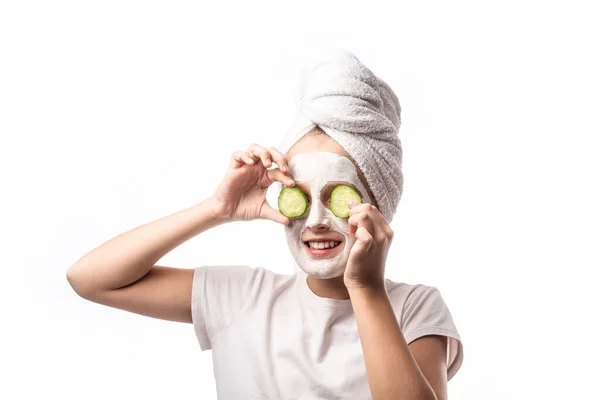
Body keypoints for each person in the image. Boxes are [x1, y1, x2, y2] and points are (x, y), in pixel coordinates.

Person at [67, 49, 463, 400]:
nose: (317, 221)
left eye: (339, 196)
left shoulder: (416, 308)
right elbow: (90, 279)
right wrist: (216, 209)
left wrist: (365, 287)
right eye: (301, 197)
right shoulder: (242, 296)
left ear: (377, 203)